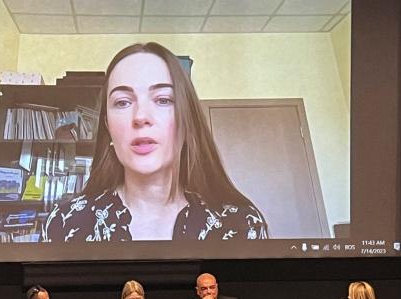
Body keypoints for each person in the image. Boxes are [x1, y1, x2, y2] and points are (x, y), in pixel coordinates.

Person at [43, 42, 268, 242]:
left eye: (163, 100)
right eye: (122, 102)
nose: (141, 116)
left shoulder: (240, 225)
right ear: (107, 126)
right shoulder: (64, 223)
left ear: (186, 119)